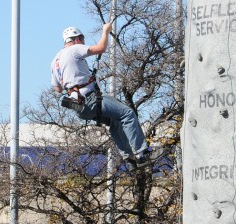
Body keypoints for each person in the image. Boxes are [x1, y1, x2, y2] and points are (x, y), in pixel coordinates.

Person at [51, 25, 159, 170]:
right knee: (127, 114)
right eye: (82, 40)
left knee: (114, 123)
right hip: (90, 99)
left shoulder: (55, 61)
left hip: (80, 108)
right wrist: (105, 31)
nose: (83, 43)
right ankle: (142, 153)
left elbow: (57, 88)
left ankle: (130, 160)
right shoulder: (74, 49)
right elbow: (101, 48)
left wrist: (73, 81)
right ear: (76, 39)